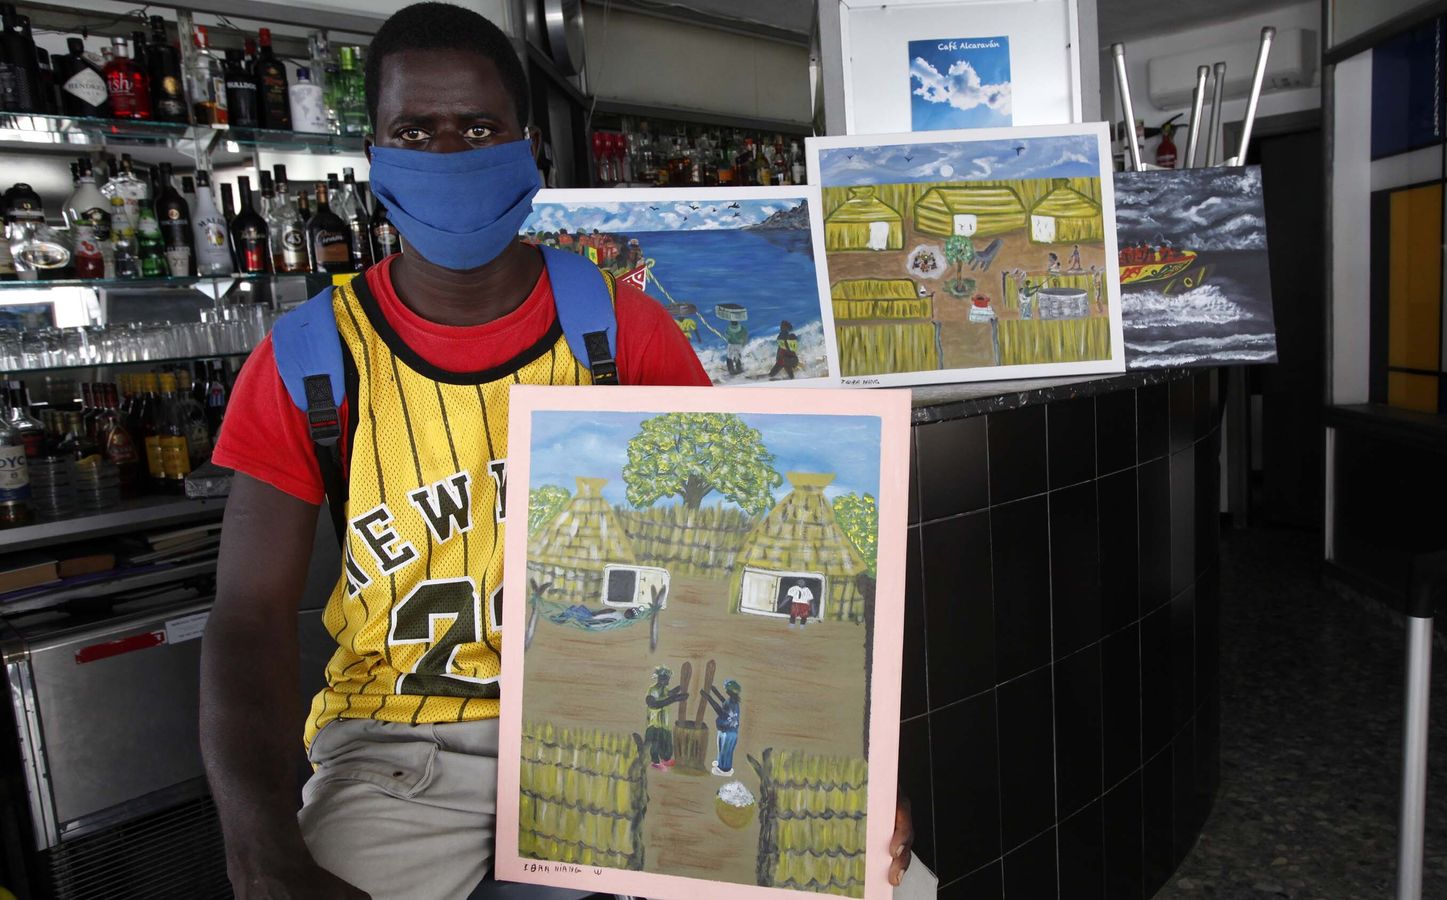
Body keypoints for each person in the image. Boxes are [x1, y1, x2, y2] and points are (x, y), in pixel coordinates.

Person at [199, 6, 914, 898]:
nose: (448, 153)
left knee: (885, 882)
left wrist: (856, 755)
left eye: (479, 128)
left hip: (615, 715)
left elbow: (737, 554)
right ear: (374, 154)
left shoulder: (619, 326)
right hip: (401, 752)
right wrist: (260, 850)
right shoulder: (310, 357)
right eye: (415, 131)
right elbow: (248, 616)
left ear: (529, 147)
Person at [644, 666, 688, 769]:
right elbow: (653, 704)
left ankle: (666, 759)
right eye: (666, 679)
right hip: (654, 723)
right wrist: (674, 699)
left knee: (666, 743)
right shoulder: (652, 690)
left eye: (668, 679)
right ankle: (655, 762)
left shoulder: (664, 689)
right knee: (655, 744)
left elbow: (670, 693)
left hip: (664, 723)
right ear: (660, 678)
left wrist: (681, 688)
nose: (668, 681)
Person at [704, 679, 741, 777]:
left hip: (728, 731)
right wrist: (715, 691)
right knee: (722, 749)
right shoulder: (732, 702)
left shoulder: (731, 703)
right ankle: (721, 763)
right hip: (727, 730)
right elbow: (723, 702)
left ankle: (724, 769)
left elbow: (720, 710)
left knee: (726, 751)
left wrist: (709, 698)